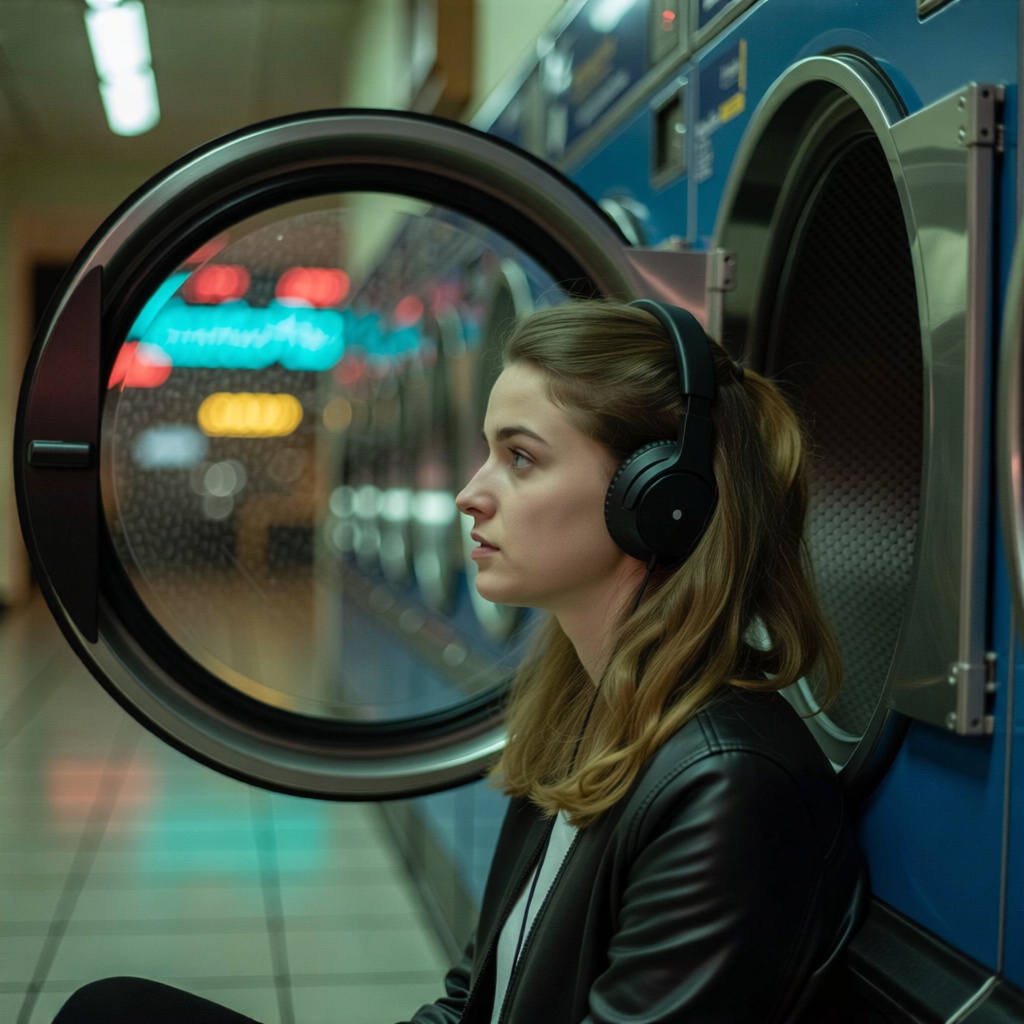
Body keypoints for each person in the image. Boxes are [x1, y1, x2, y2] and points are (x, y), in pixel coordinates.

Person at [53, 299, 865, 1023]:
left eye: (520, 458)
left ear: (659, 498)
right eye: (485, 452)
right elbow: (475, 994)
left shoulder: (728, 784)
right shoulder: (585, 710)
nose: (468, 493)